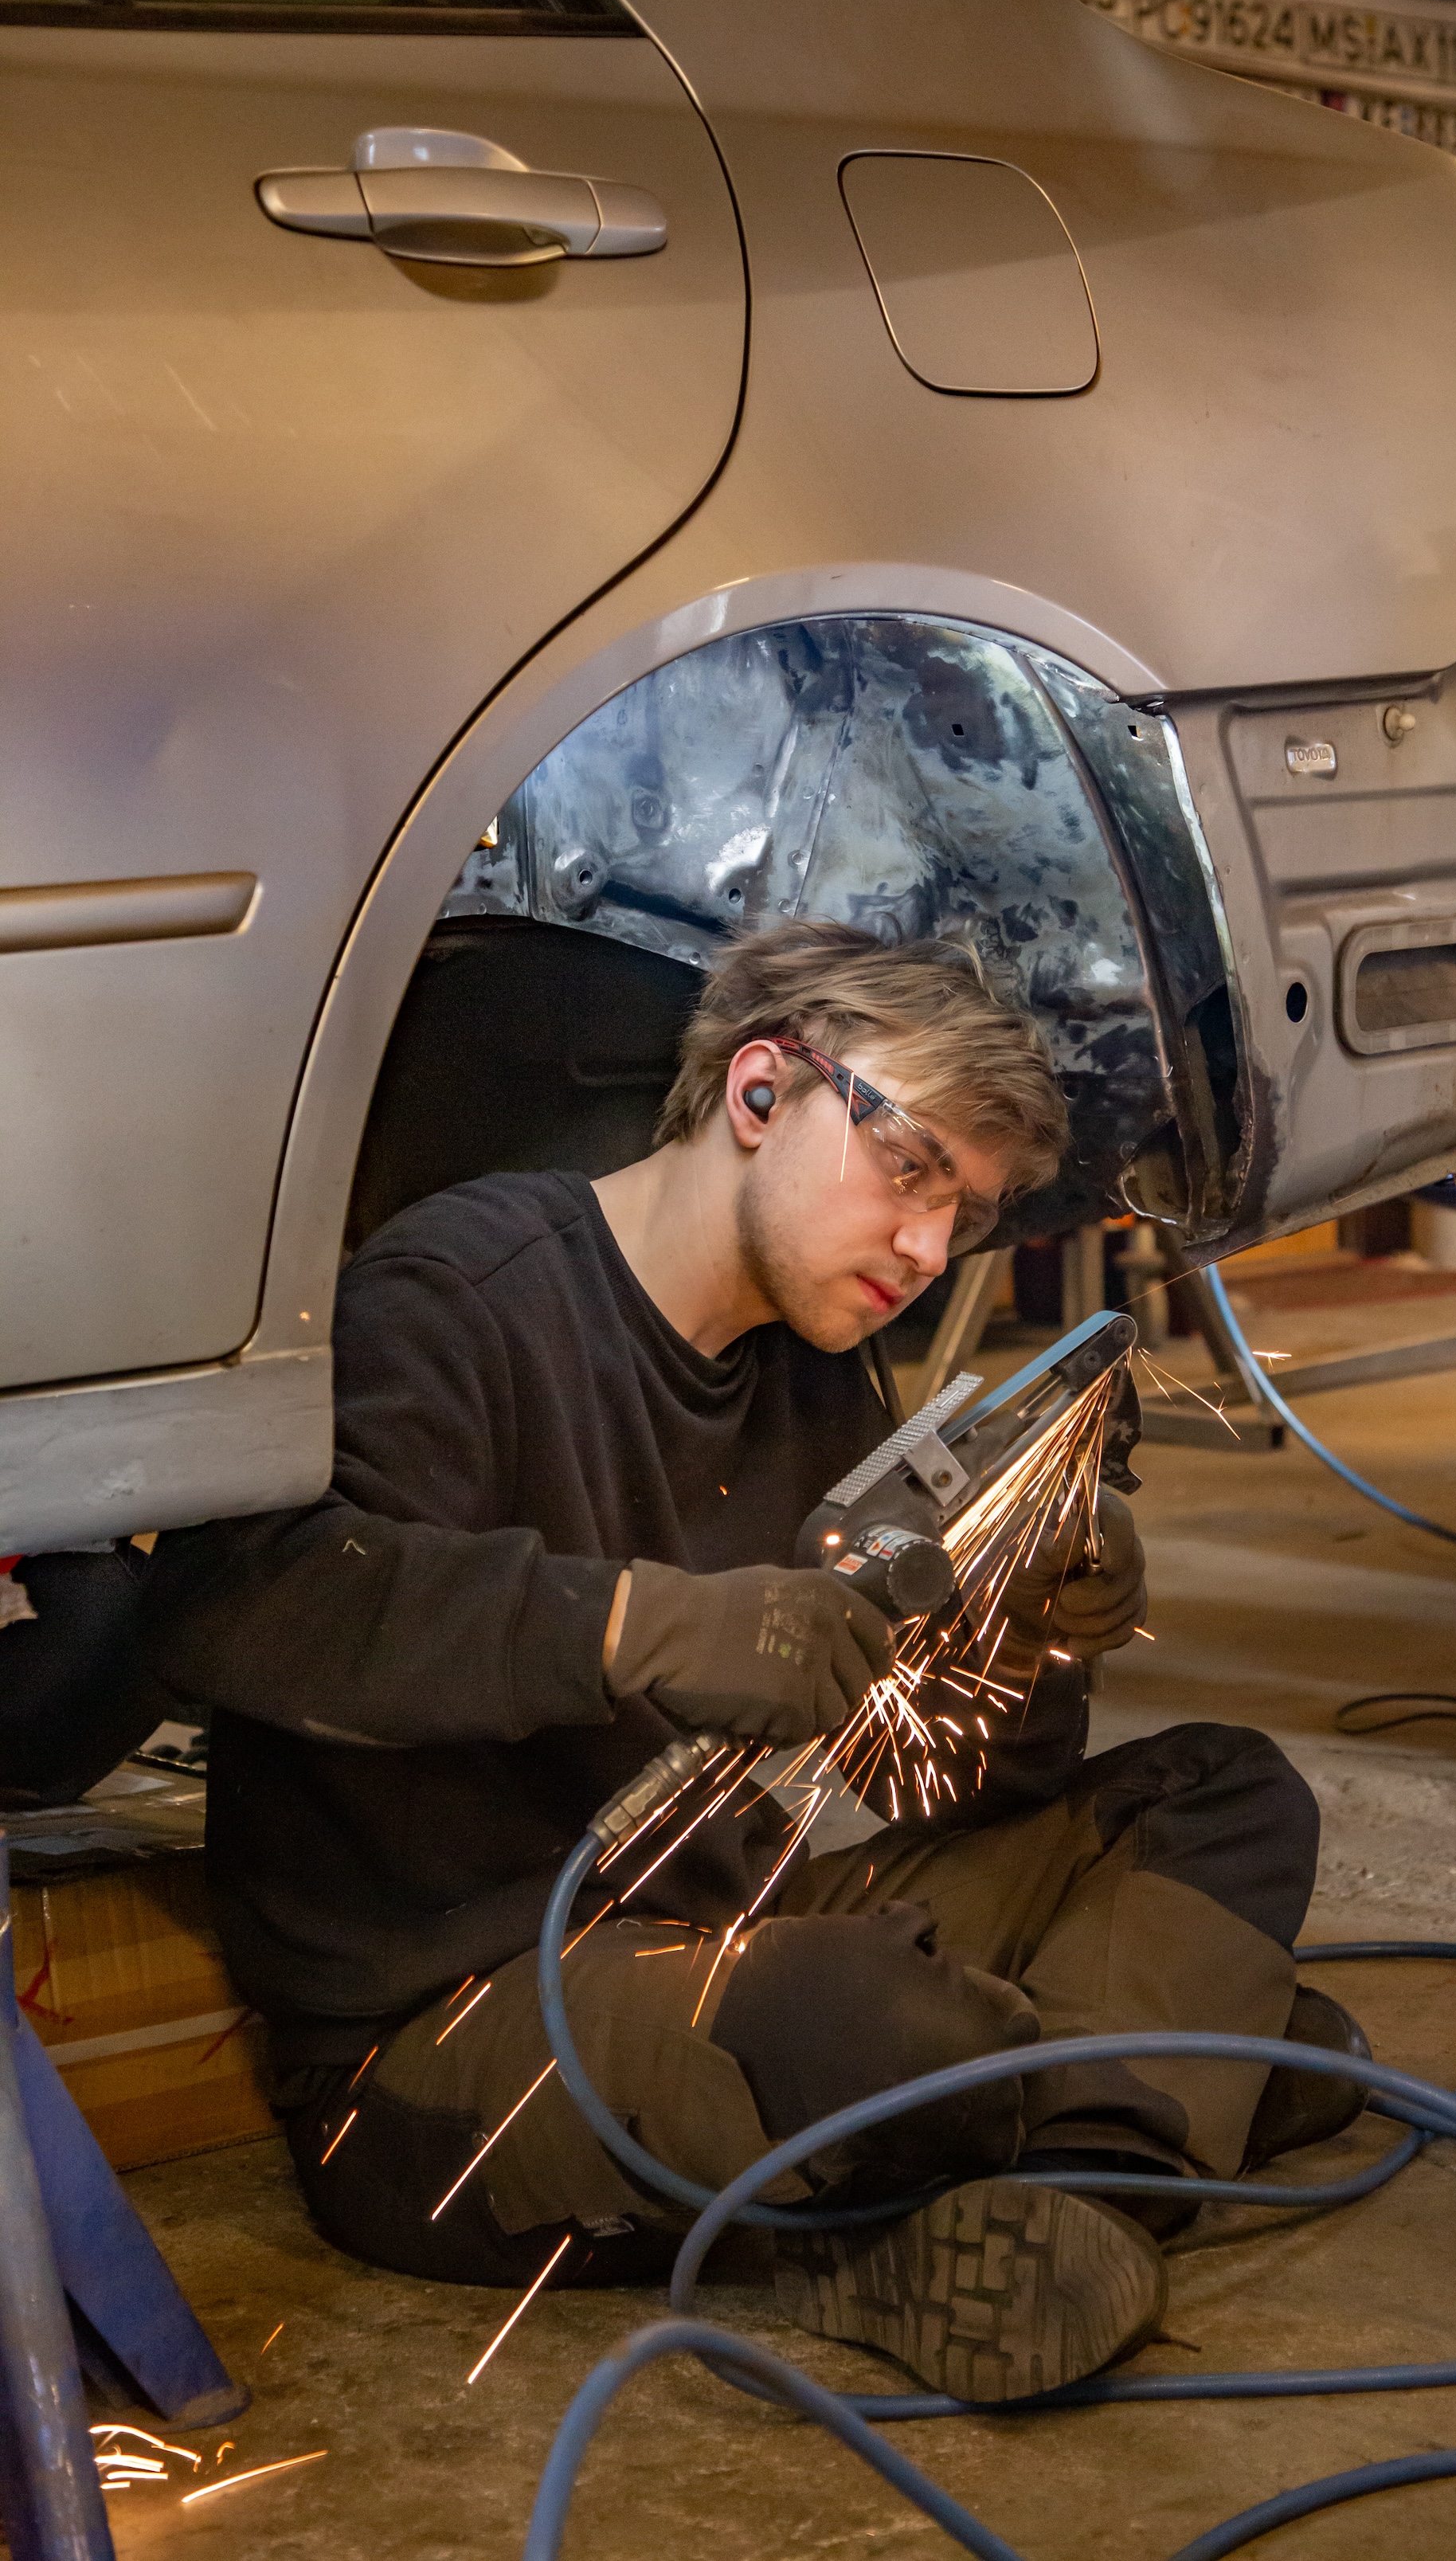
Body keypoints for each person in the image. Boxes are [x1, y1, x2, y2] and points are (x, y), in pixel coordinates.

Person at [144, 921, 1362, 2406]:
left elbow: (953, 1786)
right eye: (911, 1166)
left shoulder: (819, 1357)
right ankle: (1141, 2097)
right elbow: (242, 1604)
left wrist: (1028, 1627)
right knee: (890, 2021)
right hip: (456, 2030)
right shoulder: (458, 1294)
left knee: (1228, 1795)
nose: (929, 1245)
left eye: (966, 1213)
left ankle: (1069, 2186)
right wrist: (630, 1624)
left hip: (736, 1898)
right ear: (761, 1089)